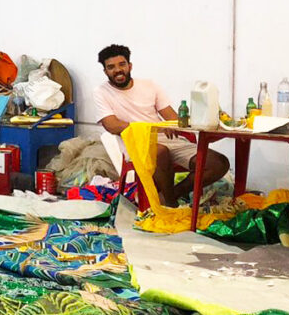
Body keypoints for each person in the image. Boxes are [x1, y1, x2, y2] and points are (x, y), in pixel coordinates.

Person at [93, 44, 229, 207]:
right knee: (160, 152)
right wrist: (156, 128)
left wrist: (208, 121)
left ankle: (169, 196)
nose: (117, 70)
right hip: (135, 142)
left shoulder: (150, 85)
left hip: (169, 139)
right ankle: (171, 204)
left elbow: (172, 118)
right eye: (111, 67)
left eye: (122, 64)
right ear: (105, 72)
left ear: (130, 66)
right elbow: (112, 125)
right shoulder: (101, 92)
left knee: (218, 163)